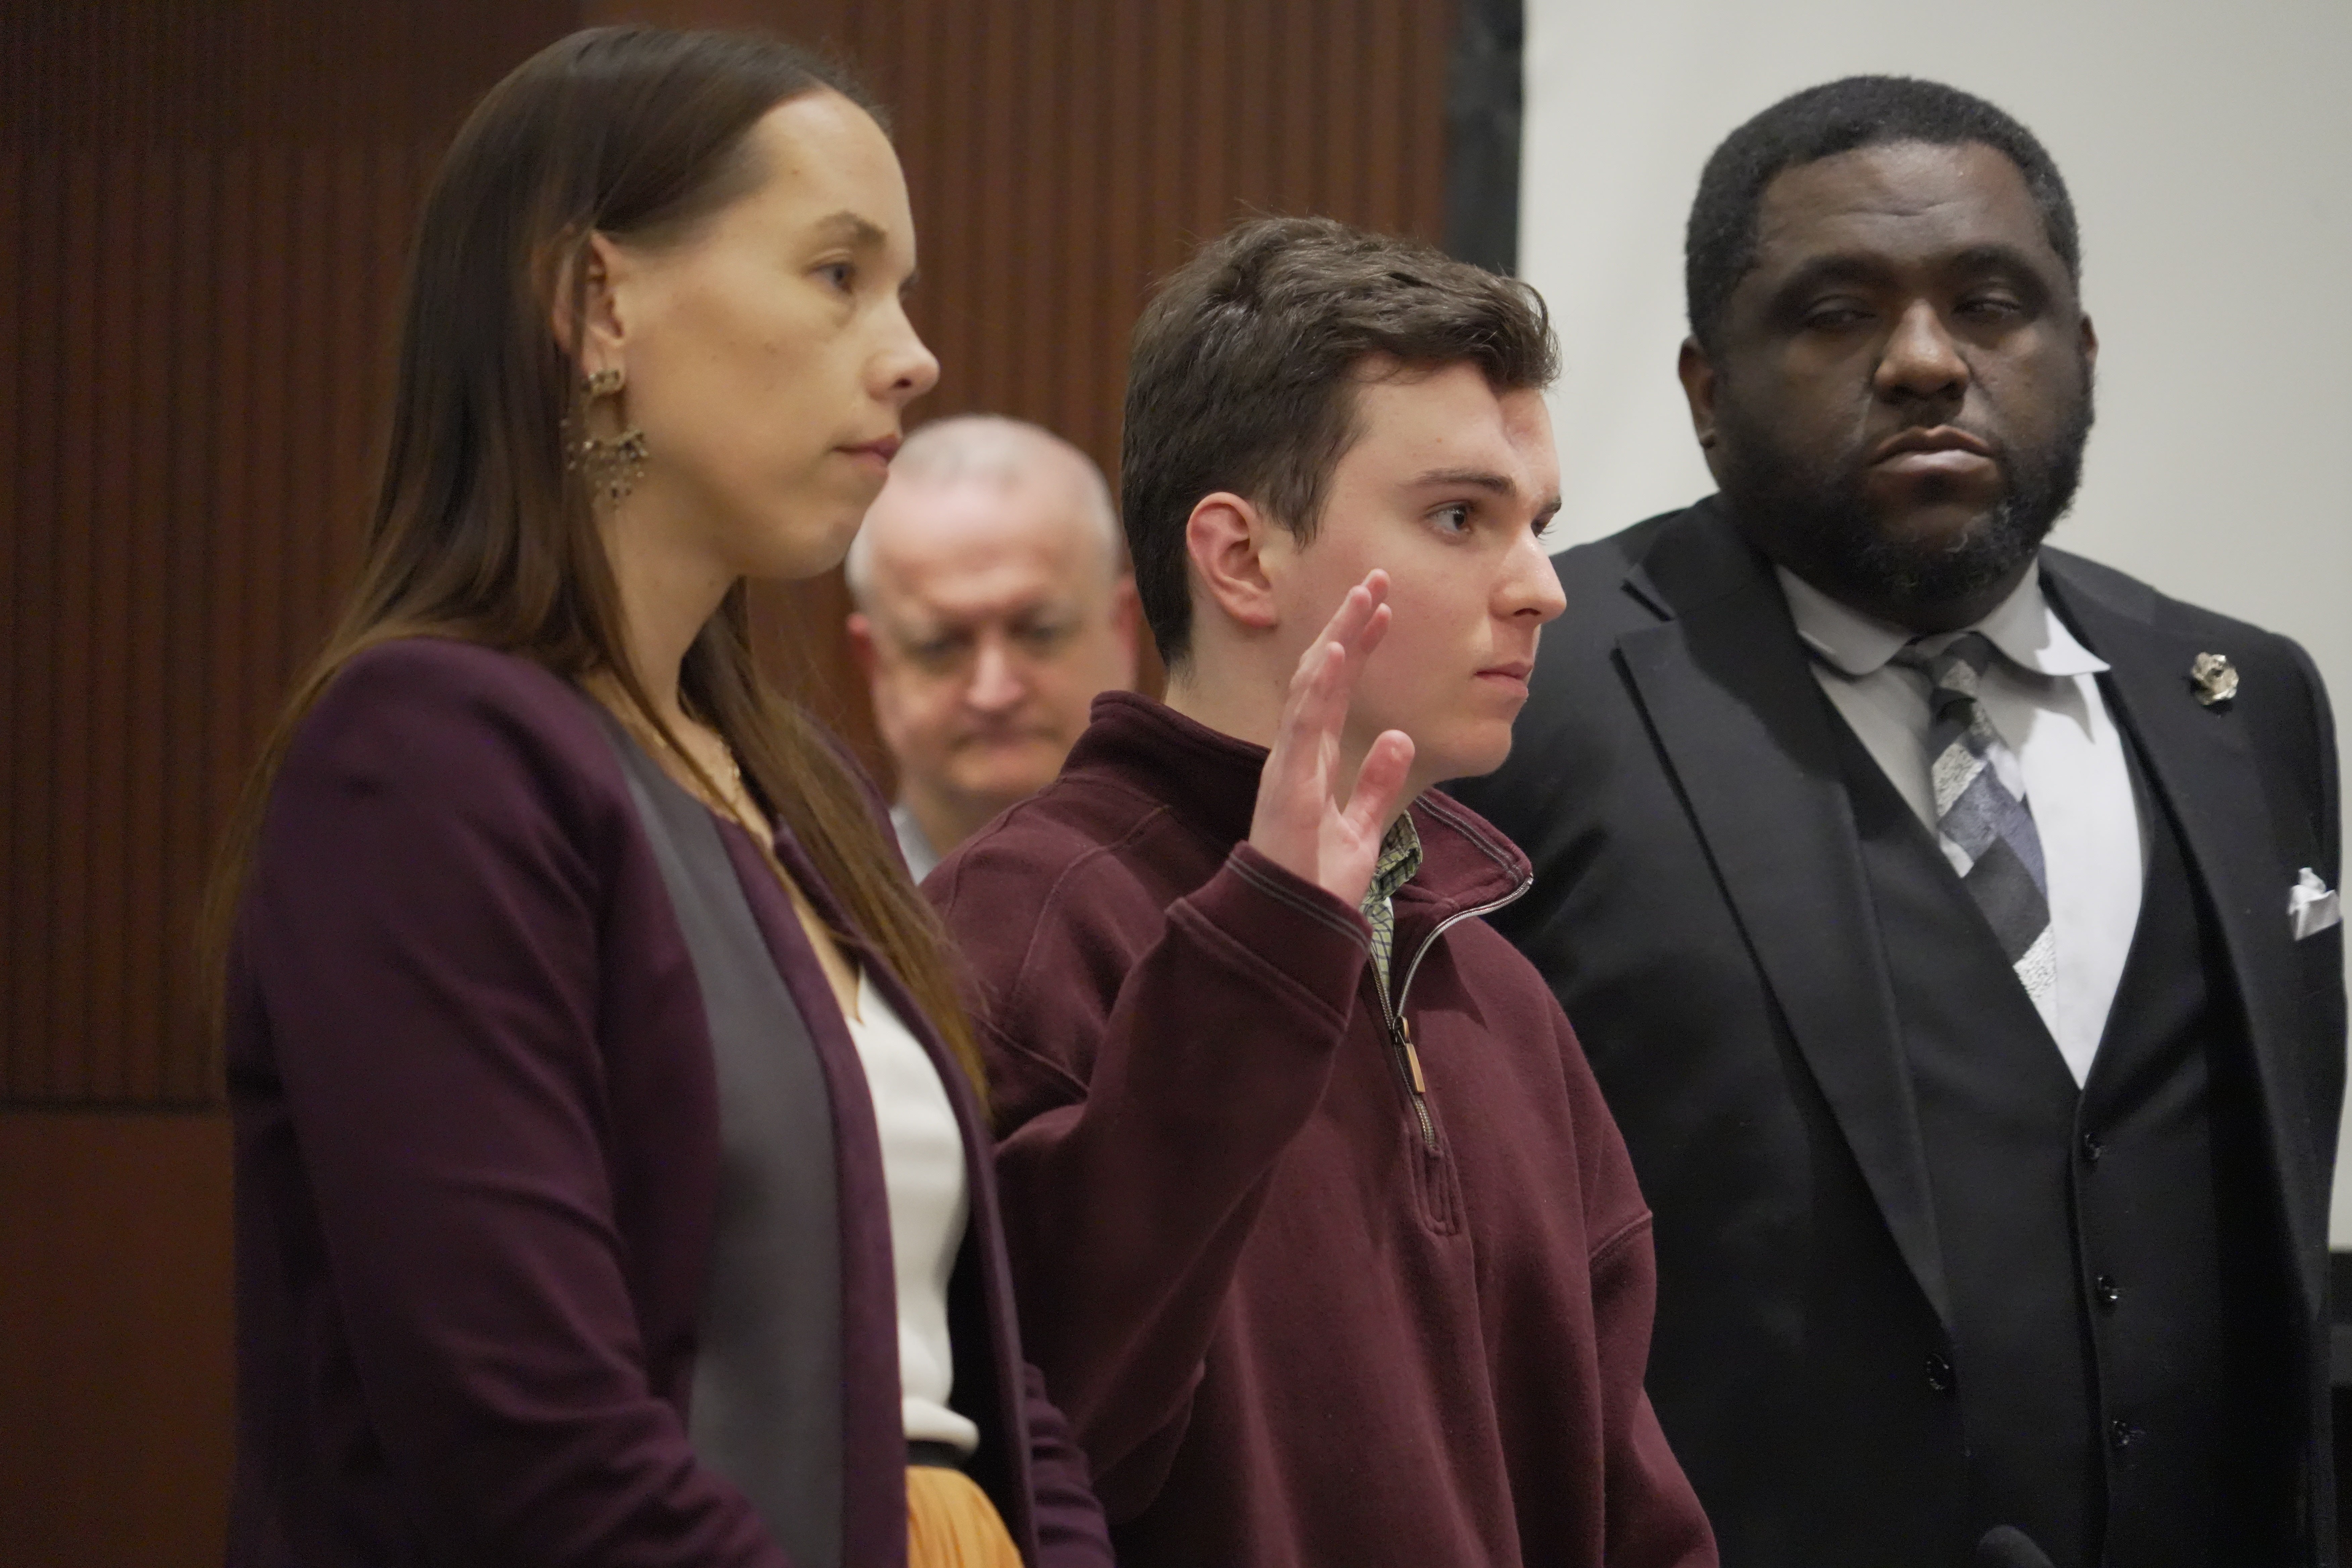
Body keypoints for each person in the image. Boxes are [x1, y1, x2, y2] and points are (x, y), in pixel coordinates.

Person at [206, 27, 1111, 1568]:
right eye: (838, 274)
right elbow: (530, 1440)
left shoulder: (797, 782)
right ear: (598, 302)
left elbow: (979, 1366)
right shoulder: (425, 756)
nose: (912, 353)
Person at [1453, 76, 2344, 1568]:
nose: (1928, 362)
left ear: (2083, 354)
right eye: (1837, 313)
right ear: (1705, 391)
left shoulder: (2240, 699)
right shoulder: (1534, 690)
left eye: (1993, 304)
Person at [925, 215, 1717, 1568]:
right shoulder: (1015, 936)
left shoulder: (1501, 998)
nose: (1541, 588)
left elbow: (1634, 1521)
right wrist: (1265, 956)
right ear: (1239, 558)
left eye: (1540, 527)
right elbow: (1039, 1450)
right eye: (1462, 518)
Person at [845, 415, 1139, 879]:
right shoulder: (803, 928)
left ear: (1123, 630)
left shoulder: (1234, 911)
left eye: (1040, 632)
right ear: (874, 662)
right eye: (940, 646)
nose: (994, 692)